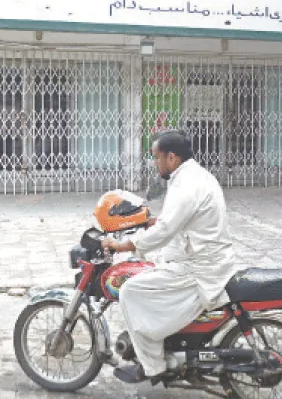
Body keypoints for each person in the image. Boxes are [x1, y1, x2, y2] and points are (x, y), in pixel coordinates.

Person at [101, 130, 238, 383]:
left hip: (199, 269)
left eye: (157, 157)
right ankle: (166, 345)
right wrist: (147, 222)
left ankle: (153, 366)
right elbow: (172, 221)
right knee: (150, 270)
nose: (155, 163)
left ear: (172, 158)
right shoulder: (192, 176)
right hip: (200, 258)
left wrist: (123, 246)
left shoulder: (187, 185)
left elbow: (165, 230)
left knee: (130, 291)